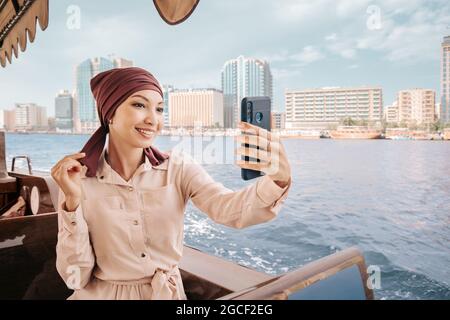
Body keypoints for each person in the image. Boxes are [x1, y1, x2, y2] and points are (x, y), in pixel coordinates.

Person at [51, 67, 291, 300]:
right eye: (139, 105)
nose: (152, 119)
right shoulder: (77, 180)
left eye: (159, 109)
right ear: (109, 113)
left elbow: (229, 209)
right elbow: (75, 277)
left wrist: (278, 180)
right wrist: (71, 204)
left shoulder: (178, 167)